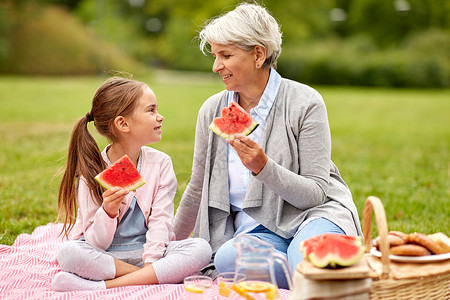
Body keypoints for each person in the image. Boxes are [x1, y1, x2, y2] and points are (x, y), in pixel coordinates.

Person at [173, 3, 362, 289]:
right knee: (226, 259)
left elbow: (314, 195)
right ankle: (315, 279)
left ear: (258, 54)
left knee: (305, 258)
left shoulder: (305, 102)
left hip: (313, 216)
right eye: (215, 56)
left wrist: (263, 167)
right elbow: (197, 188)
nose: (215, 67)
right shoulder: (213, 110)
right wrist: (167, 246)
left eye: (225, 55)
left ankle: (307, 269)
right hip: (260, 233)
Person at [52, 77, 212, 292]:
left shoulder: (161, 163)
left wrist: (151, 262)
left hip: (148, 252)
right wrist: (108, 212)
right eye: (151, 110)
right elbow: (95, 243)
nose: (160, 116)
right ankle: (152, 277)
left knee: (201, 249)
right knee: (69, 252)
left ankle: (101, 287)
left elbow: (161, 222)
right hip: (106, 256)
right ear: (123, 123)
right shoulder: (91, 171)